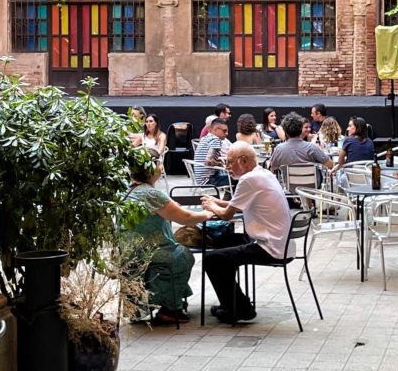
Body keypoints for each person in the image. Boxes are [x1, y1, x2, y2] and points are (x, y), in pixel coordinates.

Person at [200, 143, 291, 323]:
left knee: (211, 259)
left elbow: (227, 215)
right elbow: (237, 204)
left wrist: (211, 206)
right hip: (281, 242)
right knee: (224, 248)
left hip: (269, 247)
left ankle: (239, 309)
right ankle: (233, 304)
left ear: (243, 160)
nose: (227, 167)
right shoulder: (263, 173)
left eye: (230, 162)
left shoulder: (249, 179)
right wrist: (217, 202)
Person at [125, 152, 211, 325]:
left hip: (128, 253)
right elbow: (186, 218)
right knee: (184, 255)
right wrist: (207, 214)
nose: (161, 167)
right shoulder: (151, 194)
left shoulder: (129, 190)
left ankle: (163, 302)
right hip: (151, 252)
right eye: (159, 163)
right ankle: (169, 308)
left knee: (176, 252)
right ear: (152, 167)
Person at [268, 113, 334, 177]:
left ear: (285, 132)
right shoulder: (311, 147)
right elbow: (330, 165)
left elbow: (272, 167)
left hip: (288, 186)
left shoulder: (279, 149)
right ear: (300, 129)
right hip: (312, 187)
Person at [193, 118, 231, 186]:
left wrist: (219, 161)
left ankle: (227, 196)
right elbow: (209, 161)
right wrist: (221, 165)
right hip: (209, 180)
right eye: (224, 131)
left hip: (200, 180)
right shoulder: (216, 140)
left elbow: (207, 158)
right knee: (238, 179)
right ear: (216, 129)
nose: (227, 134)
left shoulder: (205, 138)